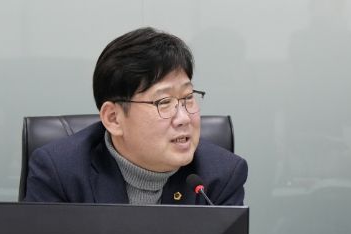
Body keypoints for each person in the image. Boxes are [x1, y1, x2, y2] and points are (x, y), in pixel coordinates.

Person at [24, 27, 248, 206]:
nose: (184, 118)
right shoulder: (60, 171)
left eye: (188, 97)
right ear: (113, 118)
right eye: (163, 102)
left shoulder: (222, 175)